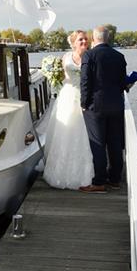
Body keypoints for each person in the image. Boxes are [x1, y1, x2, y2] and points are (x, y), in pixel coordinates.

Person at [43, 30, 94, 190]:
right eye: (81, 39)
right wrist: (52, 75)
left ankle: (87, 172)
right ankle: (60, 172)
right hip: (68, 96)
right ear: (73, 42)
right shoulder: (65, 58)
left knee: (85, 133)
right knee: (65, 130)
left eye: (86, 39)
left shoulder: (92, 57)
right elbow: (61, 77)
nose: (84, 42)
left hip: (86, 97)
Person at [79, 26, 127, 193]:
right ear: (108, 38)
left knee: (98, 144)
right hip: (116, 105)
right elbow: (123, 84)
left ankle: (99, 182)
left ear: (94, 38)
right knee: (114, 143)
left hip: (95, 107)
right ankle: (114, 179)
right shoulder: (119, 56)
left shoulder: (89, 55)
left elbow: (85, 82)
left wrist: (84, 104)